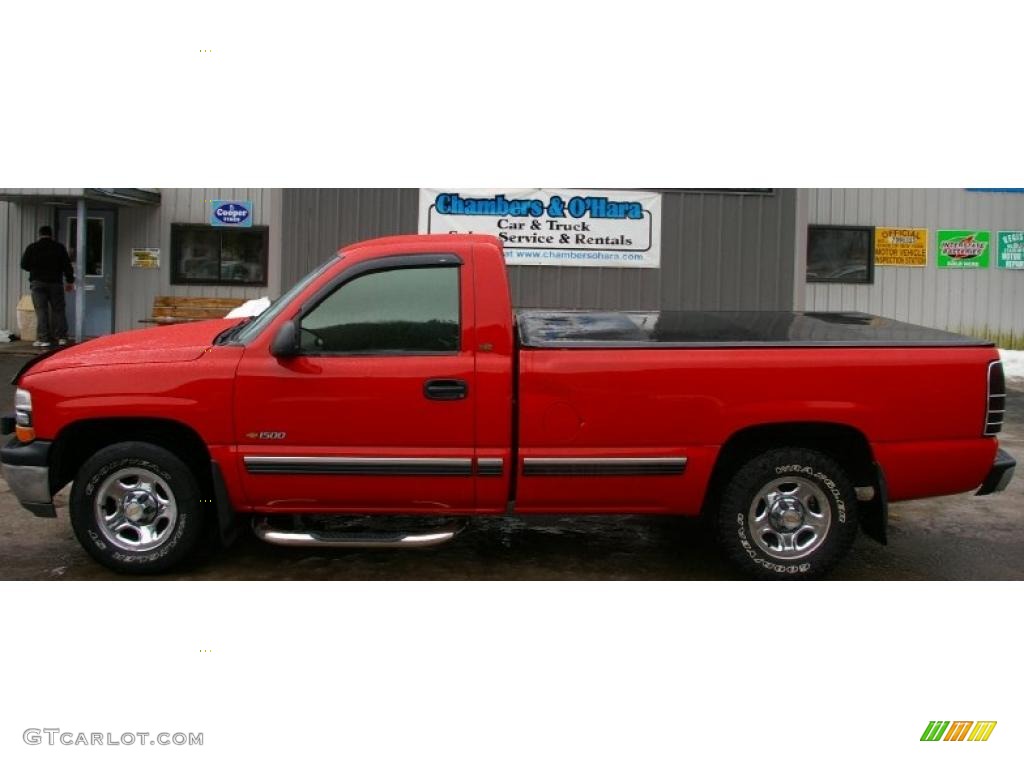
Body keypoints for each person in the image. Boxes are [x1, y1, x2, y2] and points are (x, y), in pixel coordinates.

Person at [21, 225, 75, 348]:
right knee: (58, 310)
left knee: (41, 311)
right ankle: (61, 337)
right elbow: (67, 266)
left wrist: (34, 269)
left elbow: (24, 264)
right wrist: (69, 281)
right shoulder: (59, 248)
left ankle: (44, 338)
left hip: (38, 283)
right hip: (55, 283)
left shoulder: (32, 248)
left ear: (40, 234)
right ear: (51, 235)